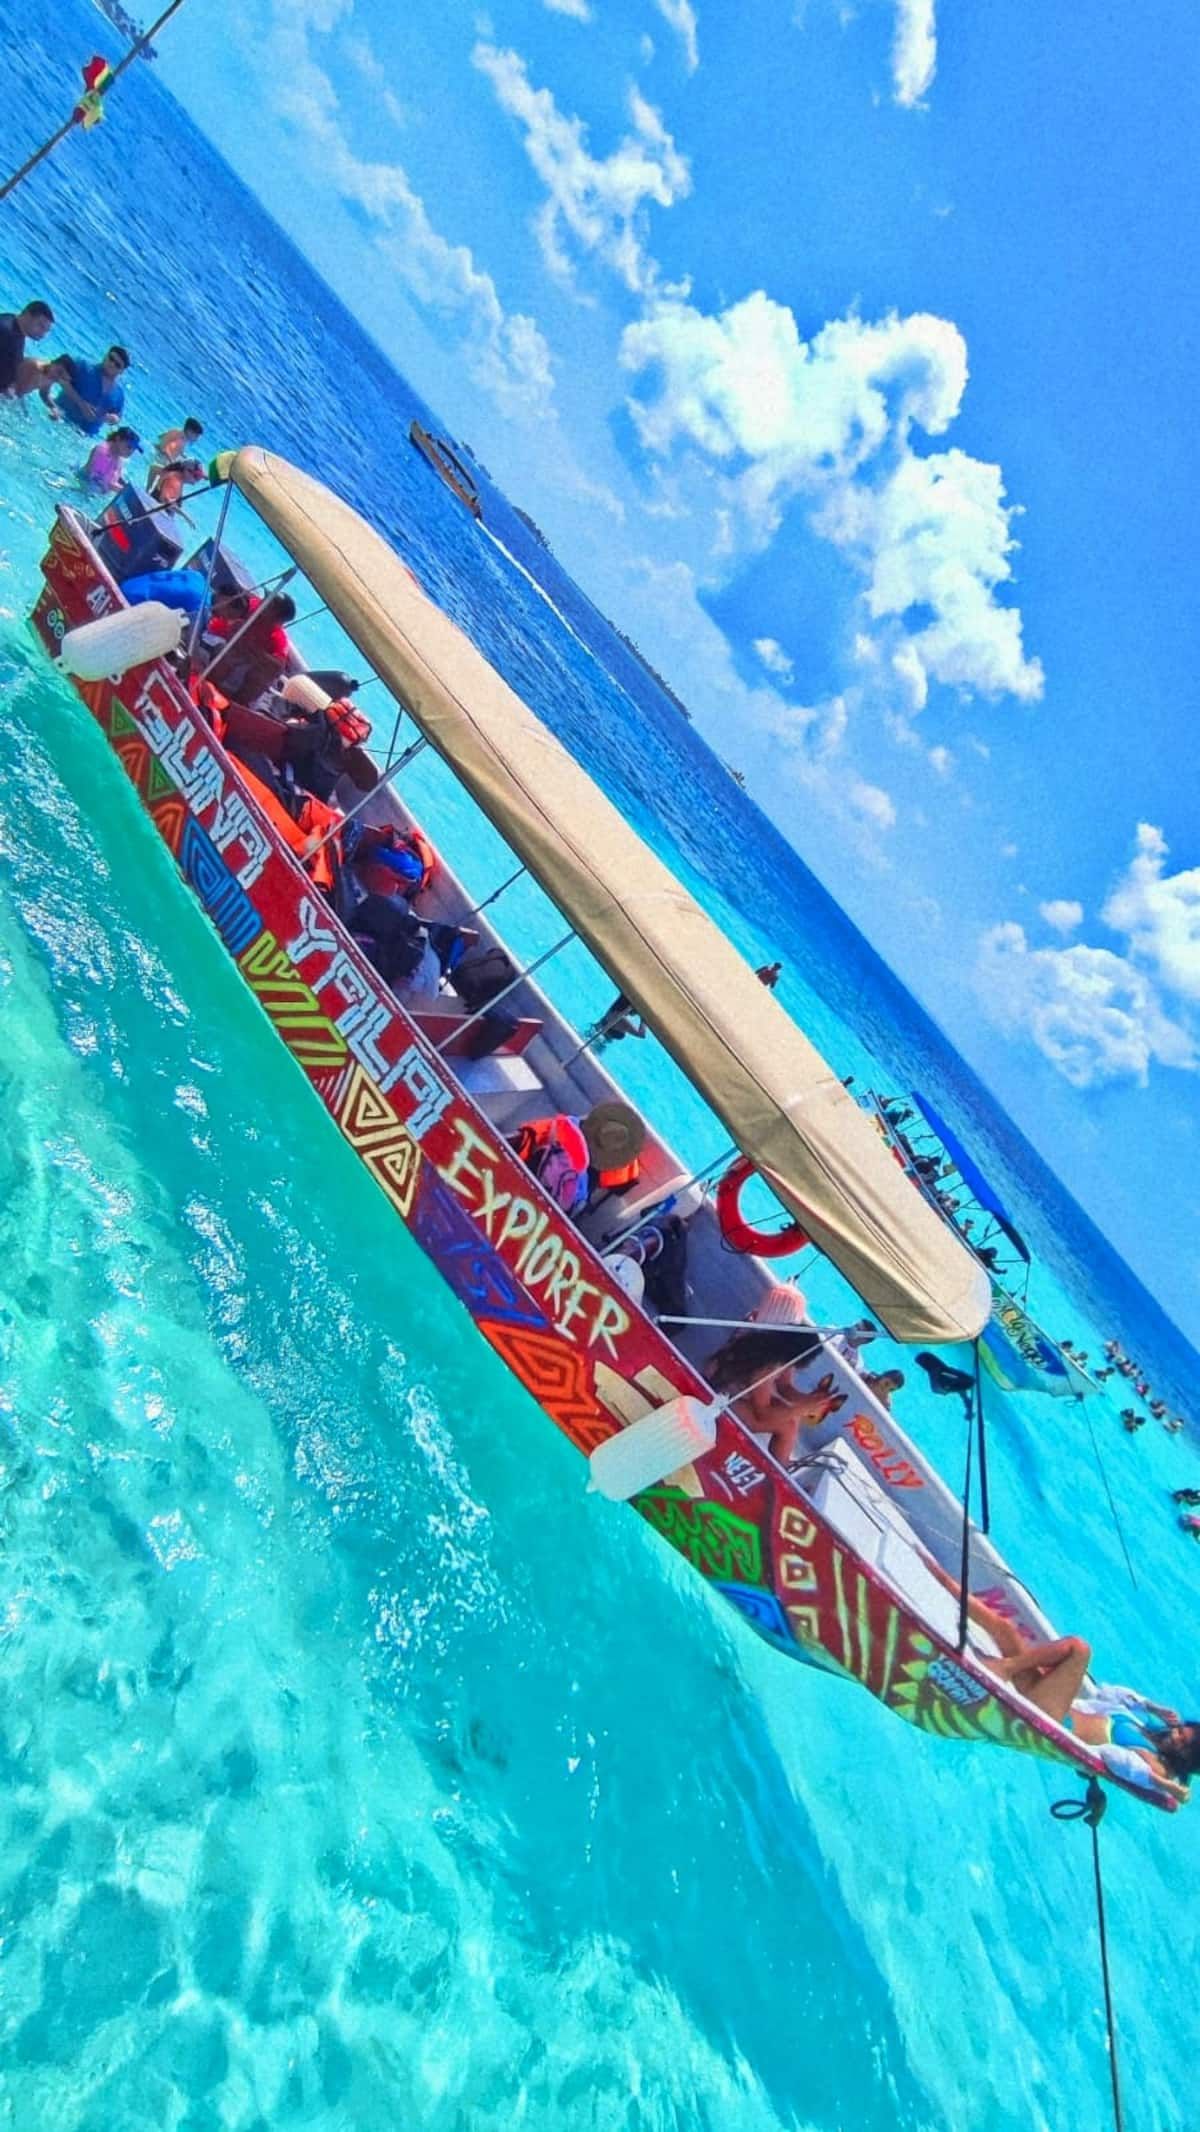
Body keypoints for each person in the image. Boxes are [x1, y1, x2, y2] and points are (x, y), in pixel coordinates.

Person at [704, 1284, 846, 1467]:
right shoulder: (767, 1365)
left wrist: (812, 1402)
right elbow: (762, 1414)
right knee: (787, 1424)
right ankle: (780, 1466)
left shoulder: (775, 1345)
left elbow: (785, 1386)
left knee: (788, 1415)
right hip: (716, 1396)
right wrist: (803, 1409)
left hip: (730, 1391)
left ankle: (781, 1462)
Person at [1068, 1685, 1200, 1804]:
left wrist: (1162, 1783)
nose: (1174, 1734)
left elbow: (1116, 1760)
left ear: (1186, 1758)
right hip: (1087, 1705)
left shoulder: (1156, 1766)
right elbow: (1110, 1694)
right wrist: (1154, 1708)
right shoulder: (1154, 1730)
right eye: (1179, 1730)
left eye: (1182, 1741)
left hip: (1074, 1721)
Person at [510, 1101, 645, 1218]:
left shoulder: (562, 1126)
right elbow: (624, 1185)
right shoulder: (607, 1173)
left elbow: (525, 1140)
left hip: (519, 1184)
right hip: (546, 1214)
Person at [52, 344, 130, 433]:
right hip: (58, 417)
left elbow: (117, 417)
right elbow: (60, 377)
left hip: (82, 435)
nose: (112, 364)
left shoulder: (118, 394)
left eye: (117, 365)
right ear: (106, 355)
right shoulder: (83, 365)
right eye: (111, 358)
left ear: (121, 371)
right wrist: (81, 404)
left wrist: (109, 418)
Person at [0, 298, 54, 395]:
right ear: (28, 315)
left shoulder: (15, 327)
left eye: (46, 331)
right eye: (41, 326)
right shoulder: (6, 333)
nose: (43, 334)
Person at [81, 425, 142, 492]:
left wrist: (126, 486)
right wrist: (125, 491)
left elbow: (114, 475)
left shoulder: (118, 456)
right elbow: (98, 478)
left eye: (134, 449)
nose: (131, 452)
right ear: (118, 439)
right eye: (129, 447)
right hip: (84, 487)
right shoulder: (104, 453)